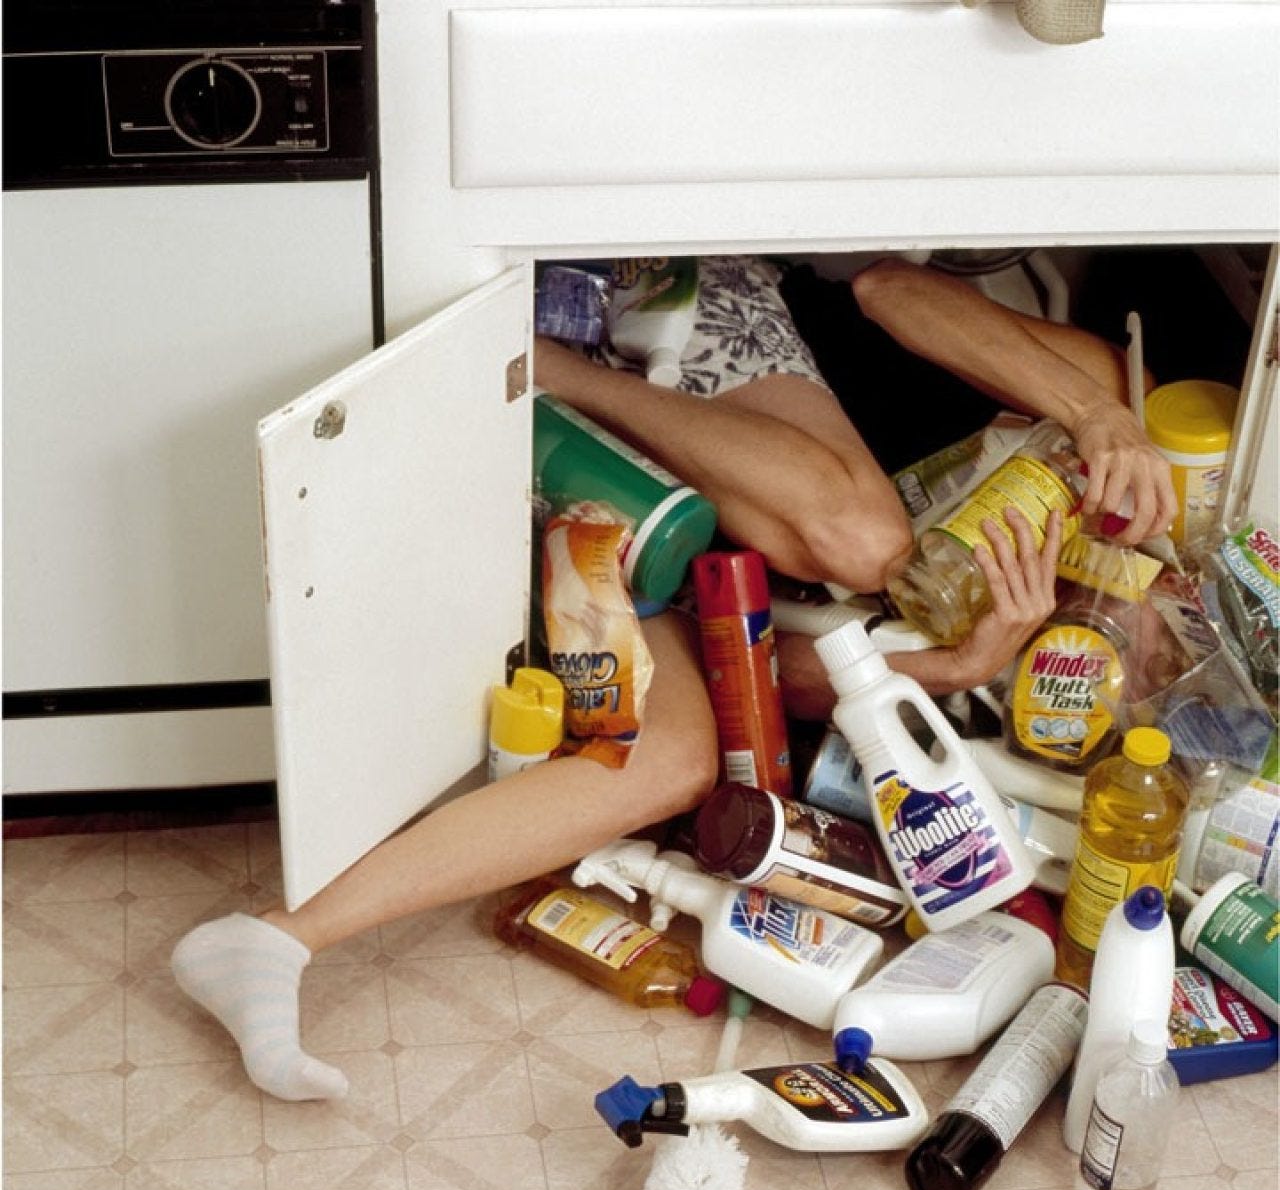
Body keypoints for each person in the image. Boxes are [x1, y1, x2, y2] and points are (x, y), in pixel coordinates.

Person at [172, 254, 1178, 1102]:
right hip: (684, 352)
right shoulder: (1100, 408)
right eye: (1169, 619)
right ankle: (558, 374)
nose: (1152, 637)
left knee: (675, 762)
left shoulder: (1035, 660)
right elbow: (887, 287)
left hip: (666, 525)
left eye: (1157, 664)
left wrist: (956, 664)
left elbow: (773, 675)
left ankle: (274, 940)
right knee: (865, 539)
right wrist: (1097, 414)